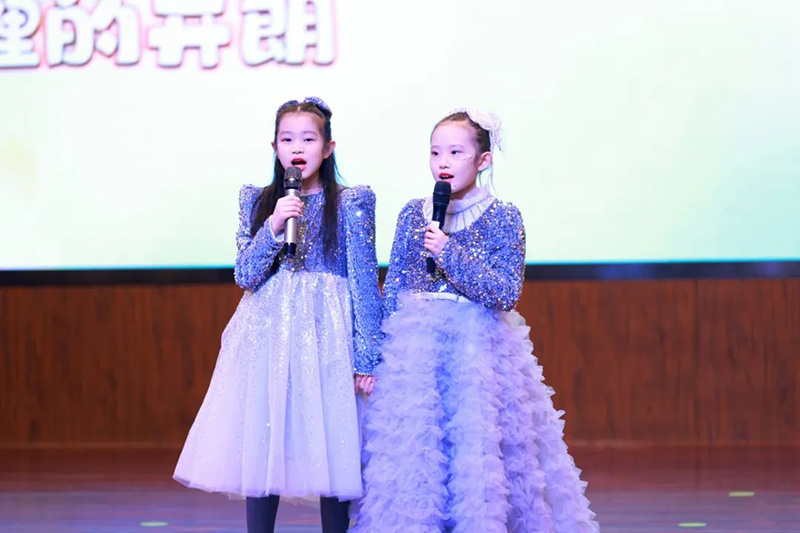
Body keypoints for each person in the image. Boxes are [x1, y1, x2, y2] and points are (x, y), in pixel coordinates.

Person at [352, 109, 600, 532]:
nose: (443, 162)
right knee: (418, 456)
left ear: (482, 160)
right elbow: (394, 287)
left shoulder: (503, 216)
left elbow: (504, 292)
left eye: (456, 152)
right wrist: (375, 357)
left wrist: (447, 251)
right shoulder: (413, 213)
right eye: (435, 152)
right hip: (416, 356)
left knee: (476, 454)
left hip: (476, 354)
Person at [173, 97, 382, 533]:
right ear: (274, 147)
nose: (297, 148)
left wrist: (367, 357)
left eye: (308, 139)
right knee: (263, 435)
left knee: (334, 439)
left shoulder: (352, 202)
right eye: (287, 139)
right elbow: (246, 274)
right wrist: (272, 226)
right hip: (268, 331)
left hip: (328, 333)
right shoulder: (258, 201)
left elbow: (364, 281)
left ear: (328, 147)